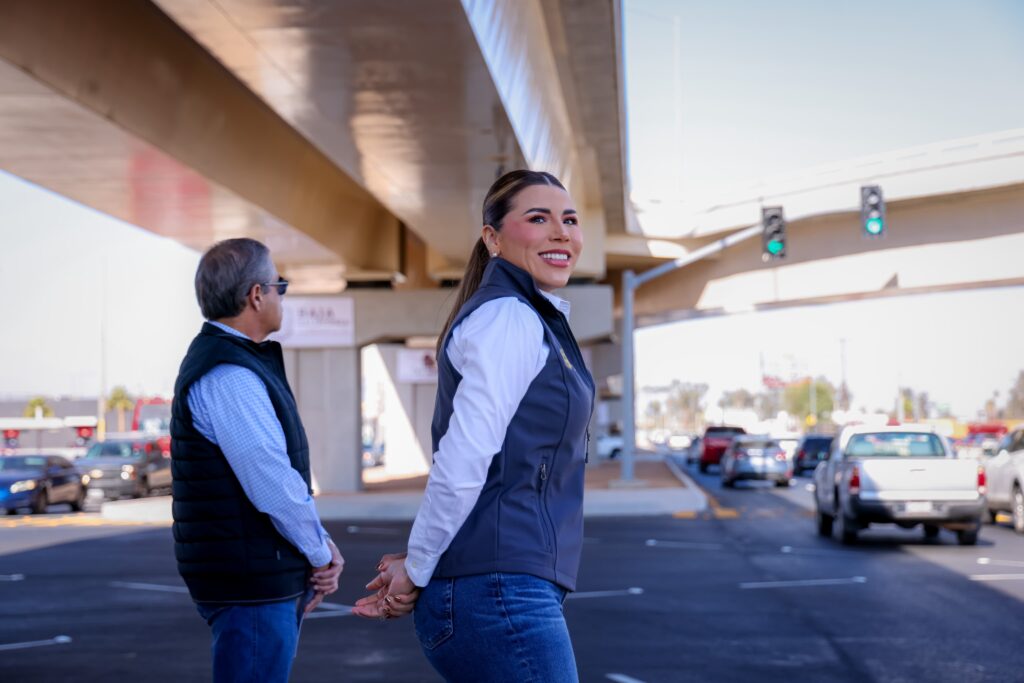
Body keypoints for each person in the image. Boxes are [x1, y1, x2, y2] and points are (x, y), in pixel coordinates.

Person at [353, 170, 595, 683]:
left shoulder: (529, 317)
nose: (561, 232)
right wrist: (418, 568)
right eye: (538, 218)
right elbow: (462, 461)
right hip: (500, 593)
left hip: (501, 588)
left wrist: (419, 563)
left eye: (569, 220)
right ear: (493, 238)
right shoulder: (509, 317)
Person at [170, 238, 344, 682]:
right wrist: (319, 551)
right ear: (256, 295)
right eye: (278, 285)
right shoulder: (231, 374)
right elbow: (269, 478)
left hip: (253, 574)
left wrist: (316, 545)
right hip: (251, 584)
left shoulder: (234, 363)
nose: (281, 295)